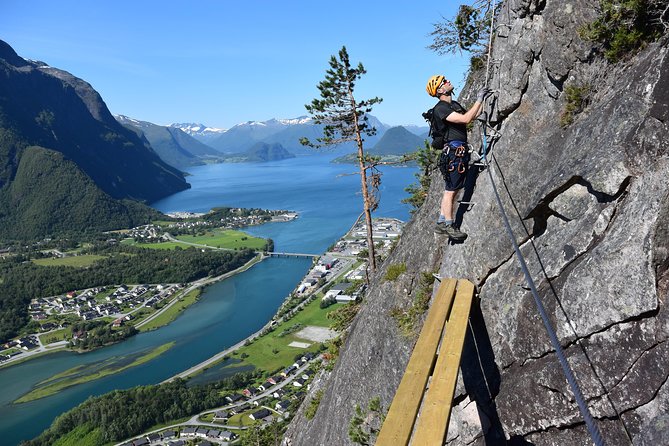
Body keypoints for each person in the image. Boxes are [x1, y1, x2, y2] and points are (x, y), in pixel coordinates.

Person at [425, 75, 490, 241]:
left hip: (458, 152)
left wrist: (481, 108)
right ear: (439, 90)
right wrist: (479, 99)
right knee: (450, 191)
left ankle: (441, 223)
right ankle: (449, 225)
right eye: (444, 82)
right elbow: (465, 119)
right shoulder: (441, 108)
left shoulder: (453, 105)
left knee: (452, 189)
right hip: (454, 154)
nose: (447, 82)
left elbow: (469, 115)